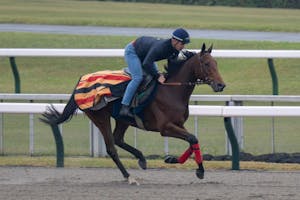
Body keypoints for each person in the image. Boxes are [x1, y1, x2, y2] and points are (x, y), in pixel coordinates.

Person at [119, 28, 191, 118]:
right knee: (138, 78)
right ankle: (124, 107)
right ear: (174, 41)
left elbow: (172, 65)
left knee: (154, 76)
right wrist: (158, 76)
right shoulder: (161, 48)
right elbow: (146, 64)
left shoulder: (175, 49)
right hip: (133, 52)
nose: (183, 47)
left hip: (146, 54)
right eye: (182, 44)